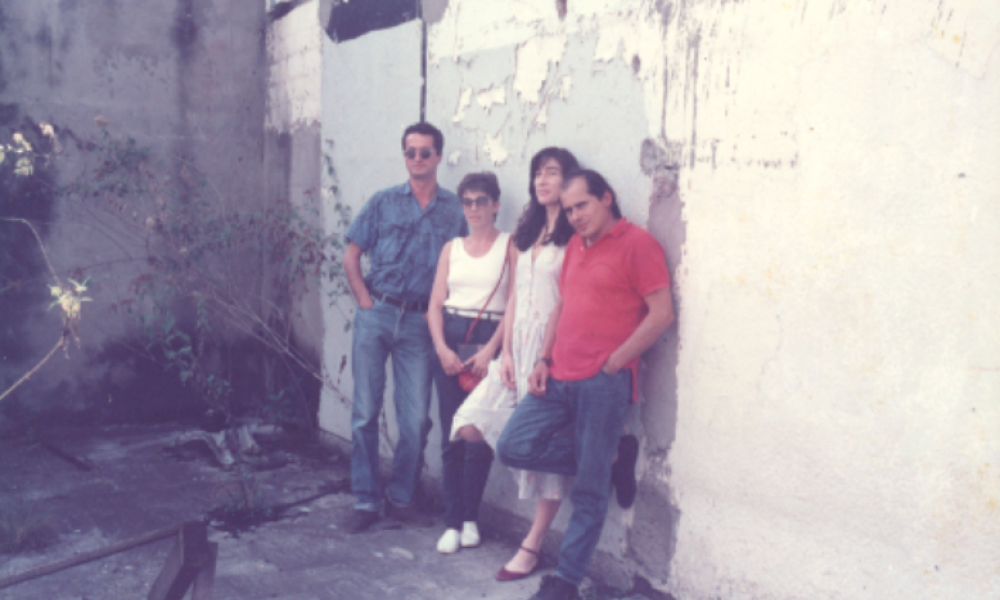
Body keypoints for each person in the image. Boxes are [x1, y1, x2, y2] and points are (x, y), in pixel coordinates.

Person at [497, 169, 676, 600]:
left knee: (589, 492)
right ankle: (611, 458)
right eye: (570, 208)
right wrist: (543, 357)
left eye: (583, 205)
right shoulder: (575, 244)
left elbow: (661, 314)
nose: (575, 215)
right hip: (558, 375)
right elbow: (563, 303)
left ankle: (565, 584)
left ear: (607, 199)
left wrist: (616, 362)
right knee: (512, 446)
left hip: (603, 384)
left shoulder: (638, 245)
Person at [445, 148, 582, 579]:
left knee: (543, 452)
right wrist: (501, 352)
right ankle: (601, 456)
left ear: (569, 179)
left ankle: (532, 544)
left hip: (549, 351)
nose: (543, 181)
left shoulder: (575, 235)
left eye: (553, 173)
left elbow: (568, 301)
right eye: (538, 174)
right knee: (469, 424)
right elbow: (517, 298)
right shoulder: (530, 230)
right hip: (514, 349)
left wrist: (546, 354)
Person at [340, 122, 467, 534]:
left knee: (415, 421)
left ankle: (399, 496)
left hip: (419, 322)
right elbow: (351, 255)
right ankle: (365, 498)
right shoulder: (383, 202)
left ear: (438, 157)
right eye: (410, 152)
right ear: (404, 156)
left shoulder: (454, 210)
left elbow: (464, 264)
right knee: (365, 413)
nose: (417, 159)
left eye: (425, 152)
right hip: (377, 312)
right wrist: (364, 300)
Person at [427, 172, 511, 554]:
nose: (474, 209)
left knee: (478, 436)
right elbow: (433, 305)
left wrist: (493, 349)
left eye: (481, 201)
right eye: (468, 202)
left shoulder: (511, 246)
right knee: (451, 435)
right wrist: (442, 349)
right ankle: (451, 523)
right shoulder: (452, 248)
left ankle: (470, 518)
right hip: (451, 339)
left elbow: (514, 303)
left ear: (495, 204)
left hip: (487, 343)